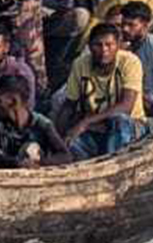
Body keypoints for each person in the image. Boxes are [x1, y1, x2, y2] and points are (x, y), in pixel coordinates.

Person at [56, 23, 145, 161]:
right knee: (71, 142)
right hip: (97, 127)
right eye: (98, 45)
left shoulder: (130, 62)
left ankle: (112, 164)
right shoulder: (80, 64)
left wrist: (85, 122)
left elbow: (126, 107)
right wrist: (58, 137)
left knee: (119, 120)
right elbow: (69, 105)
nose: (104, 50)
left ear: (118, 46)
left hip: (130, 126)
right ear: (90, 47)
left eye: (109, 45)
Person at [0, 73, 69, 169]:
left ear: (13, 101)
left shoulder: (42, 124)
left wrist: (40, 163)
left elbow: (65, 155)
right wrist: (16, 164)